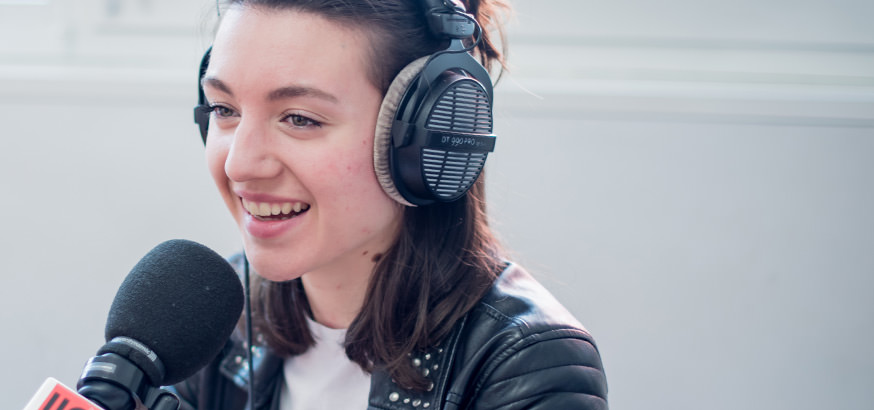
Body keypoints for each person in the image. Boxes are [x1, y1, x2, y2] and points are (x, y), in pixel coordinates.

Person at [171, 1, 609, 409]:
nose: (239, 164)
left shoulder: (527, 364)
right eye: (223, 109)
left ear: (428, 137)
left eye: (300, 118)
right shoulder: (212, 314)